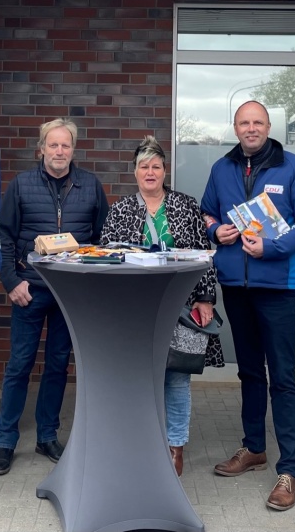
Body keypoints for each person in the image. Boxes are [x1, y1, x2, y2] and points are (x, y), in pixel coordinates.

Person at [200, 100, 295, 512]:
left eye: (258, 122)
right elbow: (206, 213)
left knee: (283, 377)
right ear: (235, 127)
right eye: (243, 122)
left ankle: (290, 470)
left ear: (269, 126)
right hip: (236, 285)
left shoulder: (293, 167)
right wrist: (218, 230)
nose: (250, 128)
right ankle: (253, 448)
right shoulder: (222, 168)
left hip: (277, 288)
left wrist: (273, 247)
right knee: (250, 372)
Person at [0, 119, 109, 476]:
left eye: (65, 146)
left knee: (58, 364)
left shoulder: (90, 185)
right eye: (53, 145)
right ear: (41, 148)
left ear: (74, 149)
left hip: (70, 293)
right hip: (29, 289)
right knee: (20, 364)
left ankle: (47, 435)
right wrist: (11, 282)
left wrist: (87, 282)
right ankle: (5, 441)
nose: (59, 152)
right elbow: (4, 237)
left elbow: (102, 238)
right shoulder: (22, 185)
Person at [99, 135, 223, 477]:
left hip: (180, 308)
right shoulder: (120, 210)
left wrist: (205, 298)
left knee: (177, 377)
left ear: (164, 170)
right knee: (138, 376)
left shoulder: (185, 205)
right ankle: (138, 442)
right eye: (144, 166)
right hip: (135, 308)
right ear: (135, 172)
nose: (150, 172)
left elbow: (205, 257)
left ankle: (175, 448)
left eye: (156, 166)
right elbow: (106, 260)